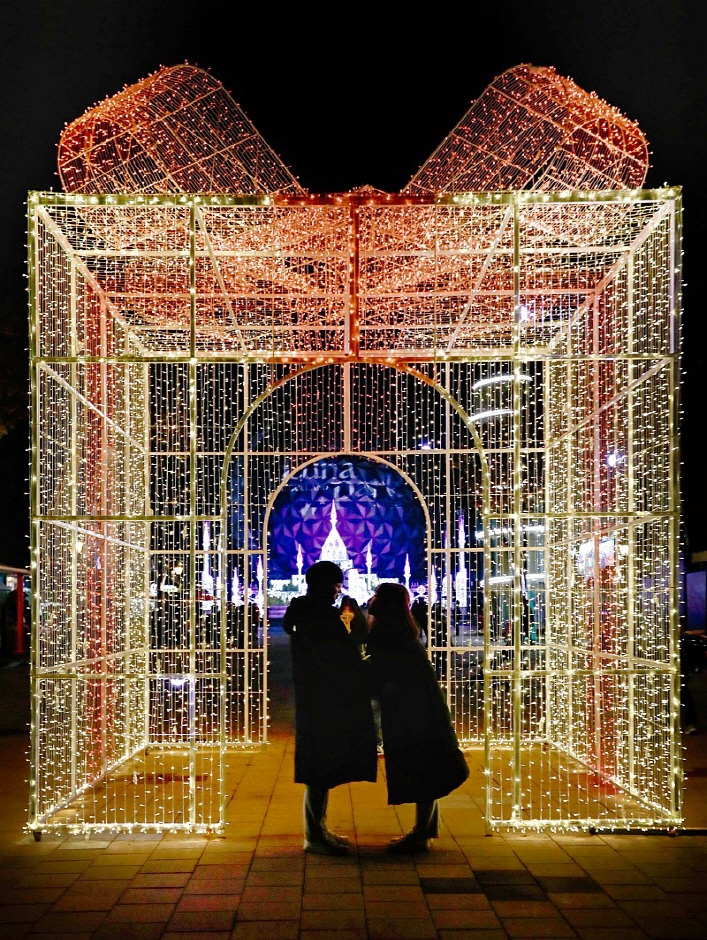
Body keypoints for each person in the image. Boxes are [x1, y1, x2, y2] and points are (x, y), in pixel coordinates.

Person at [282, 561, 378, 855]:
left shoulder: (307, 613)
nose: (338, 592)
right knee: (319, 767)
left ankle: (318, 830)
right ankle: (314, 835)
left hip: (316, 697)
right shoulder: (318, 616)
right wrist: (354, 622)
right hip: (324, 699)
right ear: (325, 586)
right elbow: (344, 651)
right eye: (336, 586)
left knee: (320, 765)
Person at [366, 582, 469, 853]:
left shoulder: (387, 633)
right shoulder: (404, 630)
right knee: (426, 765)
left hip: (408, 711)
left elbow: (382, 674)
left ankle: (421, 833)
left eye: (376, 596)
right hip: (420, 707)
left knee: (419, 767)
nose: (371, 600)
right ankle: (425, 828)